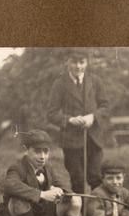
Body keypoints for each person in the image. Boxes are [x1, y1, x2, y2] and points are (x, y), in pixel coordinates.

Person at [0, 129, 81, 216]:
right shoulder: (17, 167)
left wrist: (59, 190)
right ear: (25, 149)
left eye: (46, 151)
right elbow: (10, 185)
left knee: (76, 199)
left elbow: (64, 185)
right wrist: (42, 194)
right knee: (18, 200)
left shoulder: (47, 167)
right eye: (37, 151)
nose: (42, 156)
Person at [45, 48, 112, 194]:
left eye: (81, 62)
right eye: (74, 62)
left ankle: (97, 213)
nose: (78, 66)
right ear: (66, 62)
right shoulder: (59, 84)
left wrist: (93, 117)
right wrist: (70, 120)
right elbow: (51, 113)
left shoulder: (95, 81)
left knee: (95, 177)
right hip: (71, 141)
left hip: (94, 139)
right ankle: (79, 215)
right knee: (77, 179)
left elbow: (105, 107)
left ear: (87, 62)